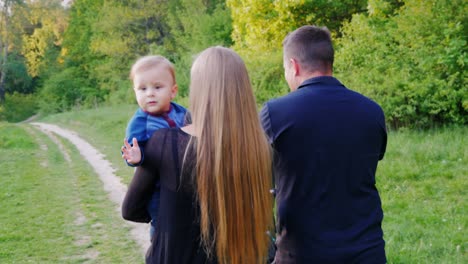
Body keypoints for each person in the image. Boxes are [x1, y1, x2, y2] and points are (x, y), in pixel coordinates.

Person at [122, 46, 274, 264]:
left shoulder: (165, 142)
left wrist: (167, 219)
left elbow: (131, 209)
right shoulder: (261, 147)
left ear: (198, 89)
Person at [260, 25, 387, 263]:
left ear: (293, 65)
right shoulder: (372, 111)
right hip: (366, 252)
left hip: (301, 253)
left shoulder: (274, 114)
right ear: (329, 62)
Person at [121, 55, 187, 240]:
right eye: (142, 89)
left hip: (184, 180)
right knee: (162, 223)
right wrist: (136, 156)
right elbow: (130, 148)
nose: (150, 93)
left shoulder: (180, 111)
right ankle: (160, 248)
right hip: (158, 186)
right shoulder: (140, 122)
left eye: (157, 87)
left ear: (173, 91)